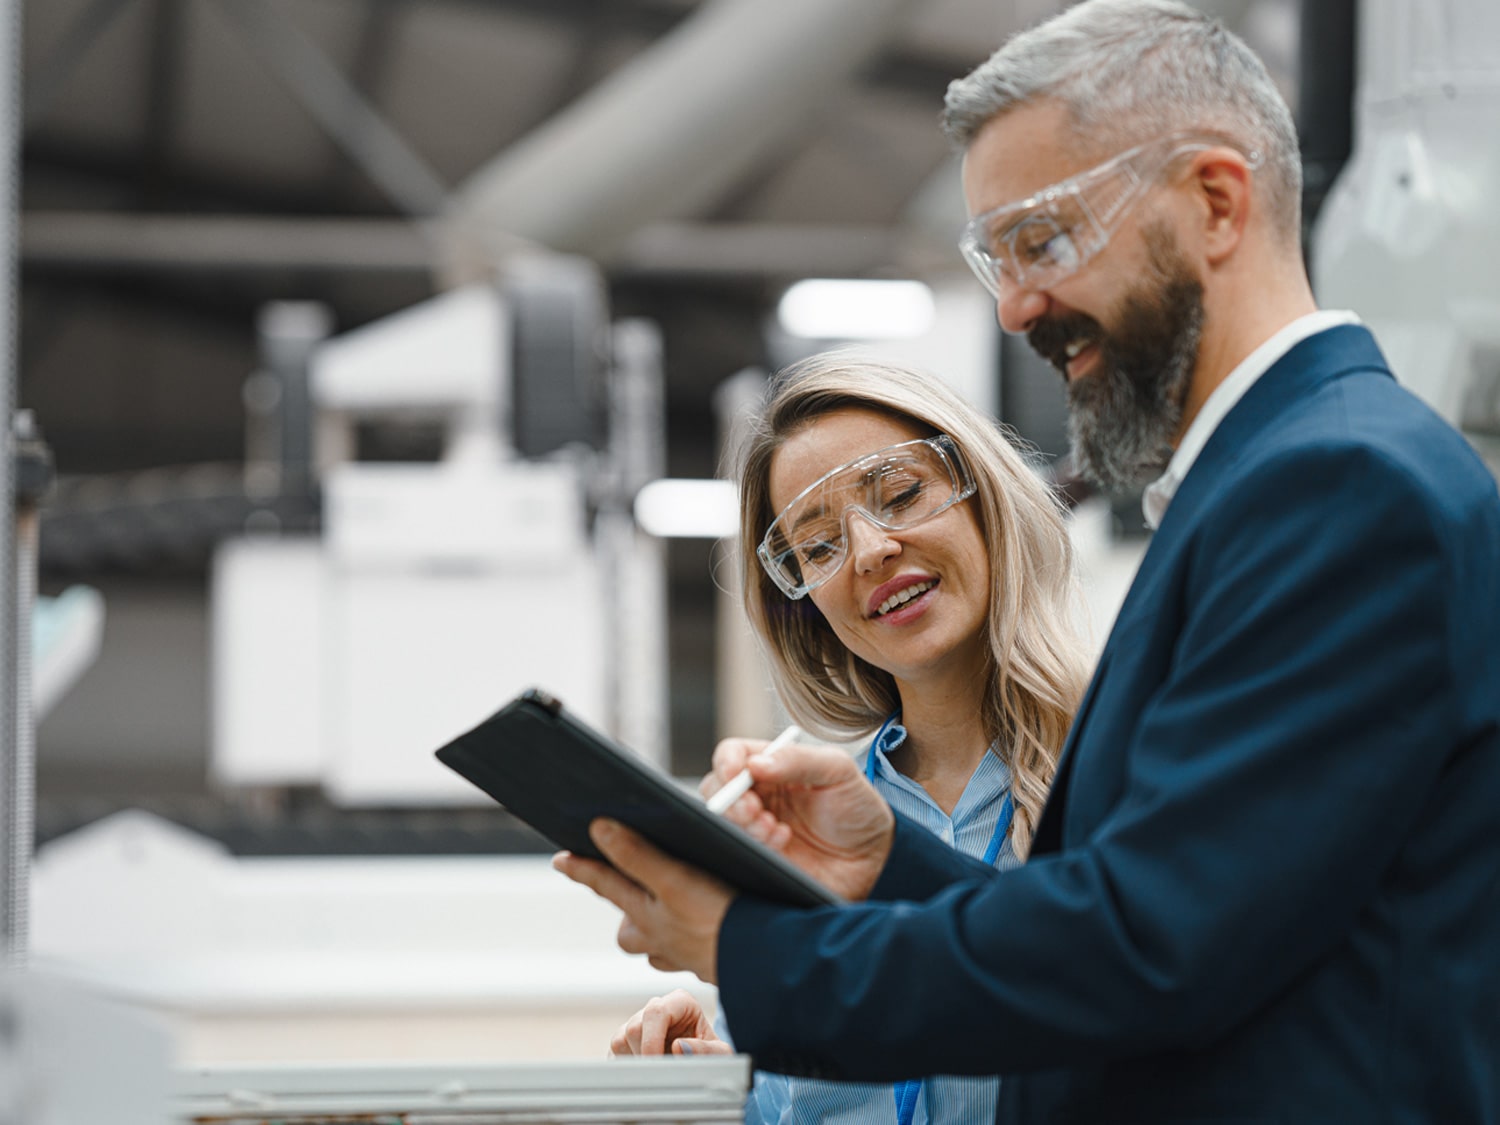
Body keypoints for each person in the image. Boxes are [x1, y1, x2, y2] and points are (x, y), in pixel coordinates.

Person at [556, 1, 1500, 1121]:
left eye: (1043, 241)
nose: (1015, 309)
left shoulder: (1339, 487)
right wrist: (889, 866)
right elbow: (1196, 921)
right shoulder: (1269, 483)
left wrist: (751, 949)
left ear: (1214, 202)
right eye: (994, 257)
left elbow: (1153, 944)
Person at [608, 351, 1091, 1125]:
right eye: (819, 546)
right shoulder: (805, 830)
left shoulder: (1127, 762)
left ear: (983, 496)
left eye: (899, 494)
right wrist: (720, 1081)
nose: (870, 551)